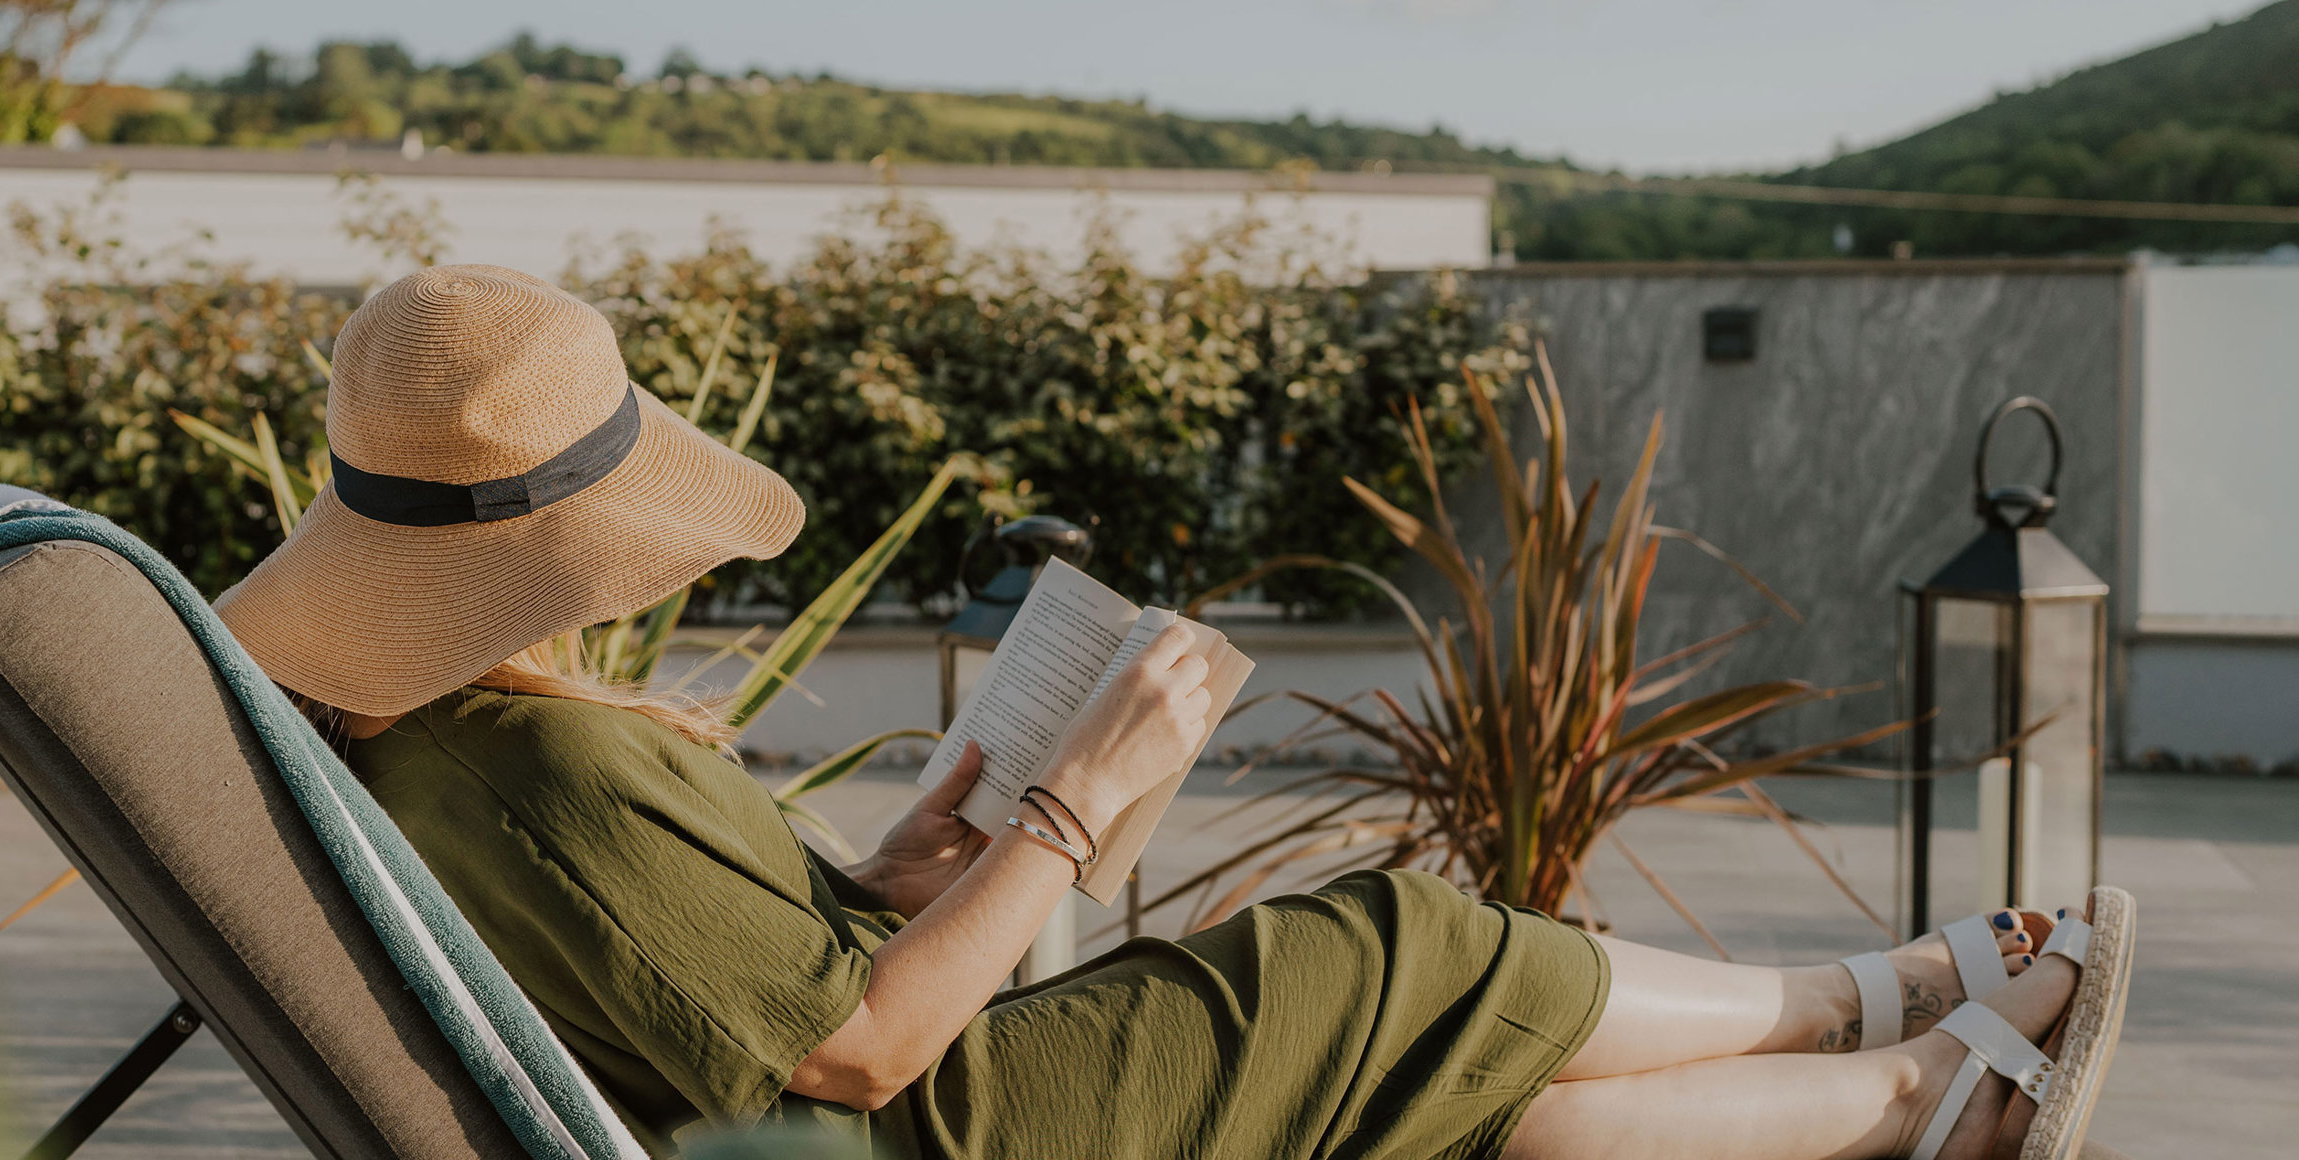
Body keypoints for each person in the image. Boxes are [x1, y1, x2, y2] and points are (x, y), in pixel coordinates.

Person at [217, 266, 2134, 1160]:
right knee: (1390, 942)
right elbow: (863, 1056)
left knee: (1418, 1087)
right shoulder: (528, 756)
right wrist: (1069, 819)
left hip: (893, 1112)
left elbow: (738, 982)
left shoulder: (455, 744)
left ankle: (1922, 1102)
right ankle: (1878, 1005)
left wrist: (909, 860)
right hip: (933, 1138)